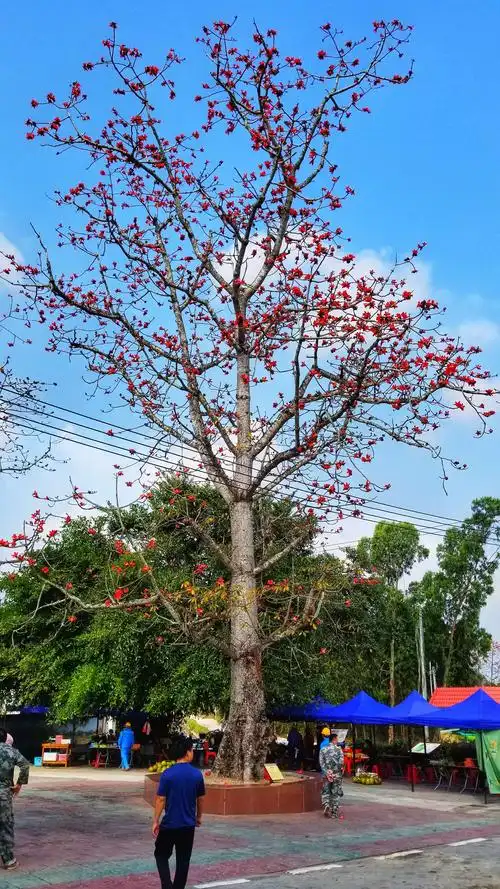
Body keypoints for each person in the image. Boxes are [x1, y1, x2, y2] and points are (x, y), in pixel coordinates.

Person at [153, 736, 205, 889]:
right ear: (187, 752)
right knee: (183, 860)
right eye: (192, 750)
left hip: (169, 824)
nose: (192, 753)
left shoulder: (168, 774)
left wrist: (155, 820)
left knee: (161, 855)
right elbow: (200, 799)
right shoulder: (196, 774)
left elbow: (160, 799)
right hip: (188, 825)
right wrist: (199, 817)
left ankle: (167, 885)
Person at [0, 727, 30, 870]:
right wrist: (19, 785)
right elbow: (25, 765)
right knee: (5, 825)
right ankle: (8, 860)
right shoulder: (11, 751)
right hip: (3, 795)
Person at [319, 731, 344, 819]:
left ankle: (326, 804)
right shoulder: (339, 749)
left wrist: (327, 772)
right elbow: (341, 763)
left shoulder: (323, 749)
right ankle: (334, 813)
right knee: (335, 793)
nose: (337, 741)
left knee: (325, 791)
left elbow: (321, 763)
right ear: (334, 739)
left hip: (326, 775)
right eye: (337, 739)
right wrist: (335, 772)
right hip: (336, 775)